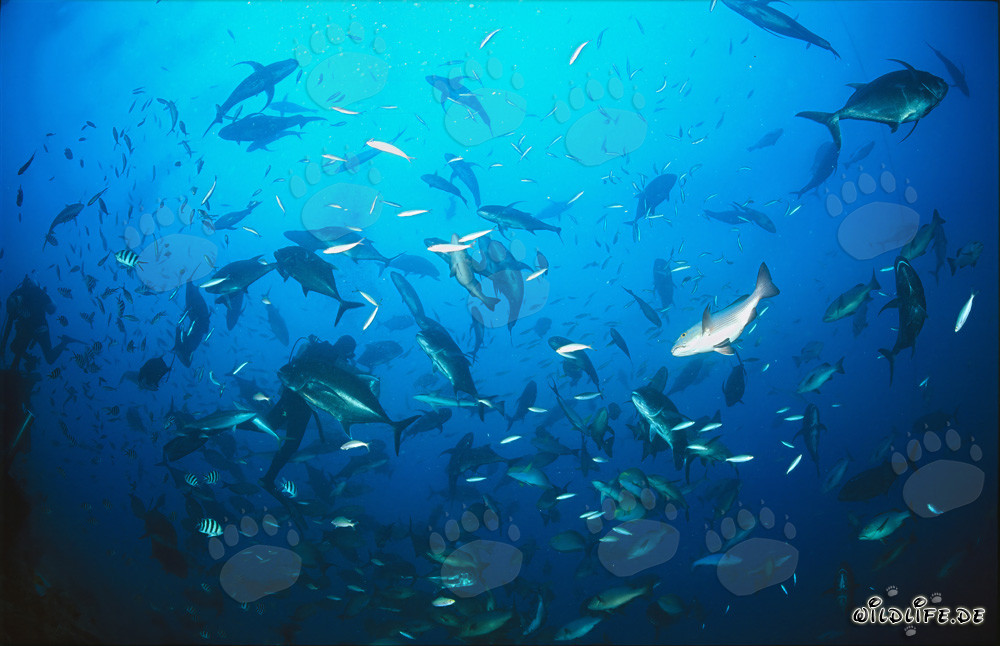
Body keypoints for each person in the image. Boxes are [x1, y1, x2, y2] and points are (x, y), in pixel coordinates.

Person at [1, 276, 74, 370]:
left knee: (48, 358)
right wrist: (3, 344)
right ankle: (29, 361)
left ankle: (64, 342)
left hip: (38, 328)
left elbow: (10, 323)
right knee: (16, 347)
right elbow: (9, 324)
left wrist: (4, 344)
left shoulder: (29, 294)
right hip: (31, 328)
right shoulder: (22, 295)